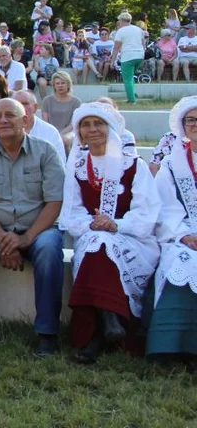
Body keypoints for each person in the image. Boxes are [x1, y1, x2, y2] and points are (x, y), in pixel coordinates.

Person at [0, 98, 66, 357]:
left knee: (50, 250)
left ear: (25, 121)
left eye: (10, 115)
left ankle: (47, 335)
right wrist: (3, 238)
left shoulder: (46, 151)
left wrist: (26, 238)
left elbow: (54, 202)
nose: (3, 120)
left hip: (38, 230)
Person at [59, 103, 159, 364]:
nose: (92, 129)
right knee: (98, 243)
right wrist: (94, 225)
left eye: (98, 123)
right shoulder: (78, 166)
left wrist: (116, 224)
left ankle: (94, 337)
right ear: (78, 131)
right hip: (93, 234)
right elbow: (71, 213)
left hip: (133, 238)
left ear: (110, 128)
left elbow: (146, 213)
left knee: (100, 245)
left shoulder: (134, 165)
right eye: (85, 124)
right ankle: (108, 321)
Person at [144, 96, 197, 368]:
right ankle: (170, 346)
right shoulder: (171, 164)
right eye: (191, 120)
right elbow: (164, 208)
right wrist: (184, 236)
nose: (196, 125)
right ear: (182, 126)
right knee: (181, 261)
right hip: (182, 235)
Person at [110, 12, 148, 104]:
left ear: (122, 21)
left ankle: (131, 100)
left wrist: (112, 61)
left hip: (128, 56)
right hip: (139, 56)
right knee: (131, 77)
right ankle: (132, 94)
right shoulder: (138, 29)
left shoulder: (120, 31)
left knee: (127, 79)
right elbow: (143, 44)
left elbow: (116, 48)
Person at [41, 71, 81, 148]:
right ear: (54, 86)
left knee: (63, 140)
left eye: (63, 83)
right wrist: (54, 133)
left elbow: (73, 123)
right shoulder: (47, 100)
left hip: (69, 132)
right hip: (50, 131)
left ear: (68, 85)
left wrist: (60, 134)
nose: (60, 86)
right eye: (57, 83)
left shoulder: (76, 102)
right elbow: (45, 122)